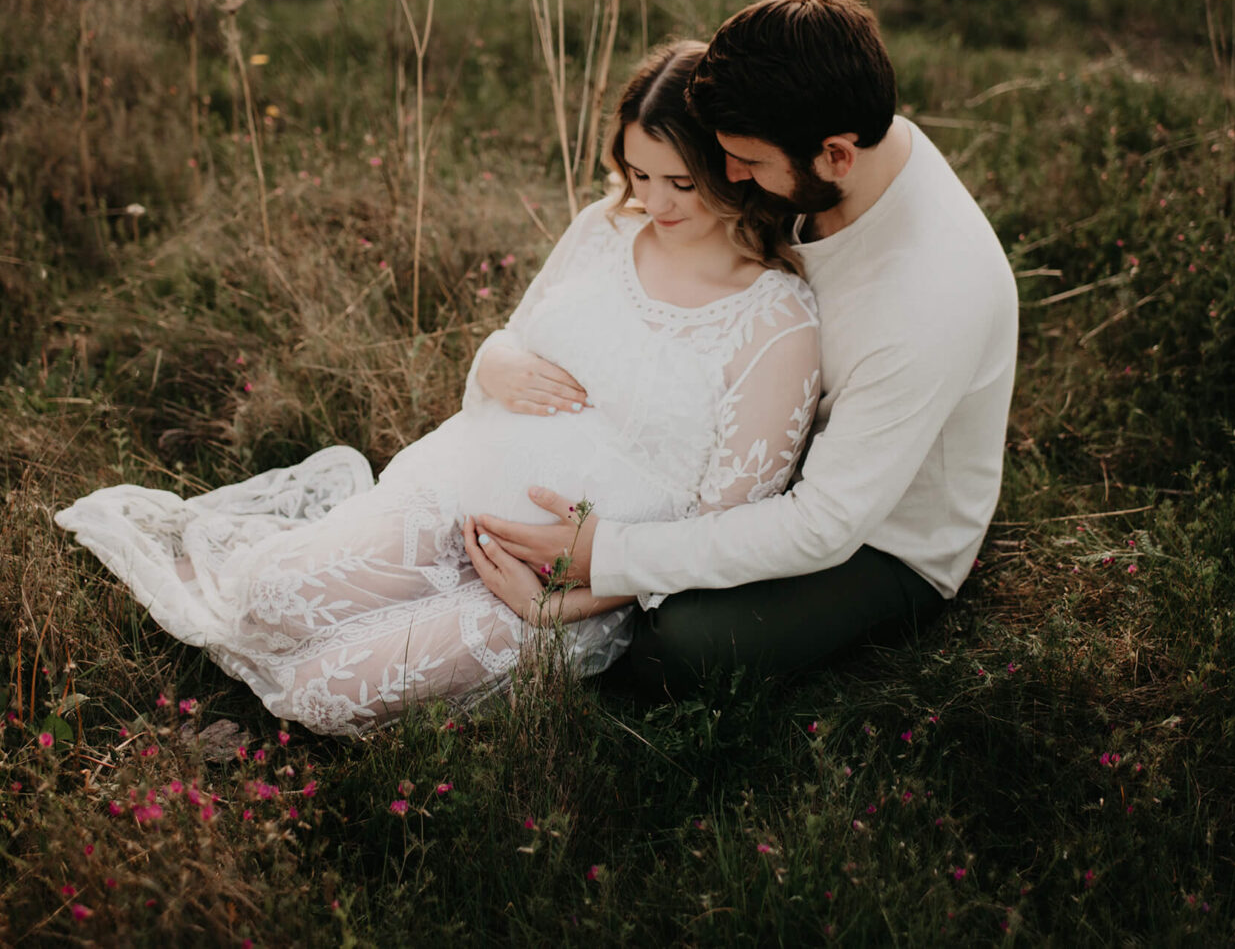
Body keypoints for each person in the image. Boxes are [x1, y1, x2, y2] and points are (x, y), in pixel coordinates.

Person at [54, 41, 821, 736]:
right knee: (269, 598)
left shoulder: (775, 323)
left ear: (734, 163)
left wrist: (567, 602)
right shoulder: (605, 228)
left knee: (328, 692)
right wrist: (494, 361)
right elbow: (515, 336)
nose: (653, 203)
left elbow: (724, 529)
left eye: (680, 182)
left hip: (564, 579)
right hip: (461, 488)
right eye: (638, 174)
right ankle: (320, 571)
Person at [470, 0, 1019, 698]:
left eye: (748, 163)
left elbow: (825, 525)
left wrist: (606, 560)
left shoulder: (930, 296)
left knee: (683, 645)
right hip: (761, 450)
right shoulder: (830, 134)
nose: (728, 177)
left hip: (879, 536)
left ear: (836, 156)